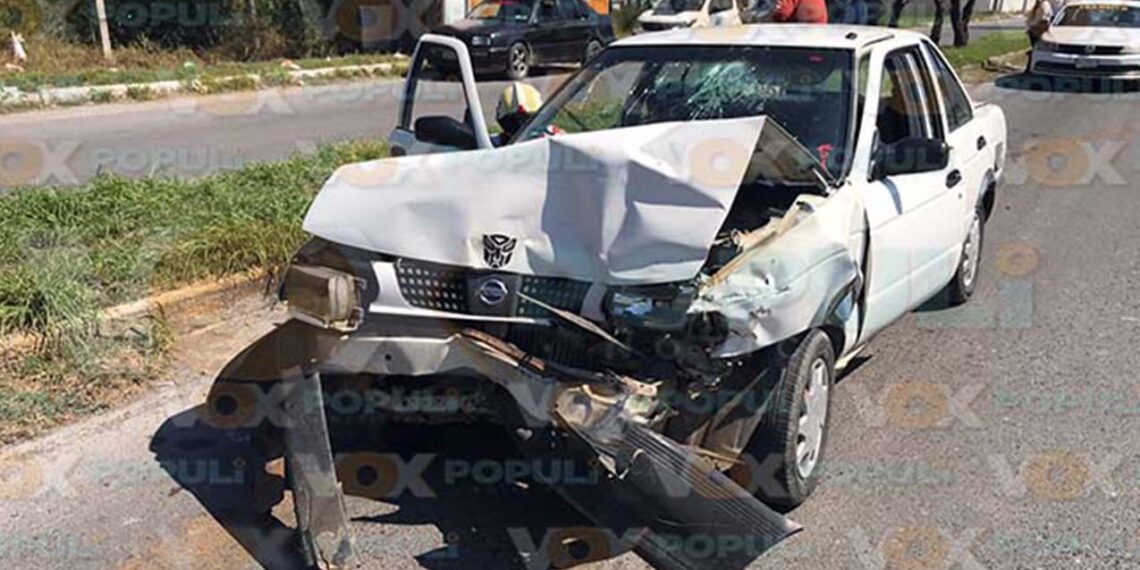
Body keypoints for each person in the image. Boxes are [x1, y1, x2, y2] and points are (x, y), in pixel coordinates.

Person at [492, 81, 544, 146]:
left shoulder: (492, 145)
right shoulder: (553, 139)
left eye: (526, 119)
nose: (521, 124)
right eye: (514, 121)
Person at [1025, 0, 1054, 72]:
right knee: (1034, 48)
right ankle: (1030, 67)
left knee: (1036, 49)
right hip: (1033, 29)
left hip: (1037, 30)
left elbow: (1045, 19)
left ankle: (1032, 67)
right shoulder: (1038, 5)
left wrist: (1039, 29)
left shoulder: (1045, 5)